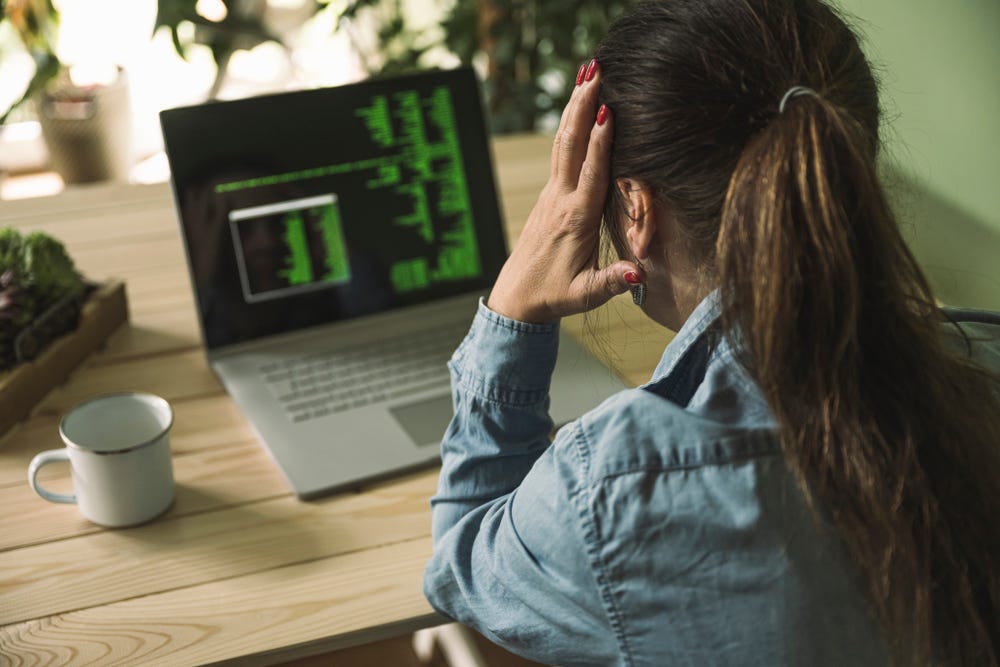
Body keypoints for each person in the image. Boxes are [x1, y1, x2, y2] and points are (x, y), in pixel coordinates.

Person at [422, 0, 1000, 665]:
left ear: (635, 210)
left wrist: (512, 311)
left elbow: (463, 557)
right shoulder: (986, 367)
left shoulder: (611, 489)